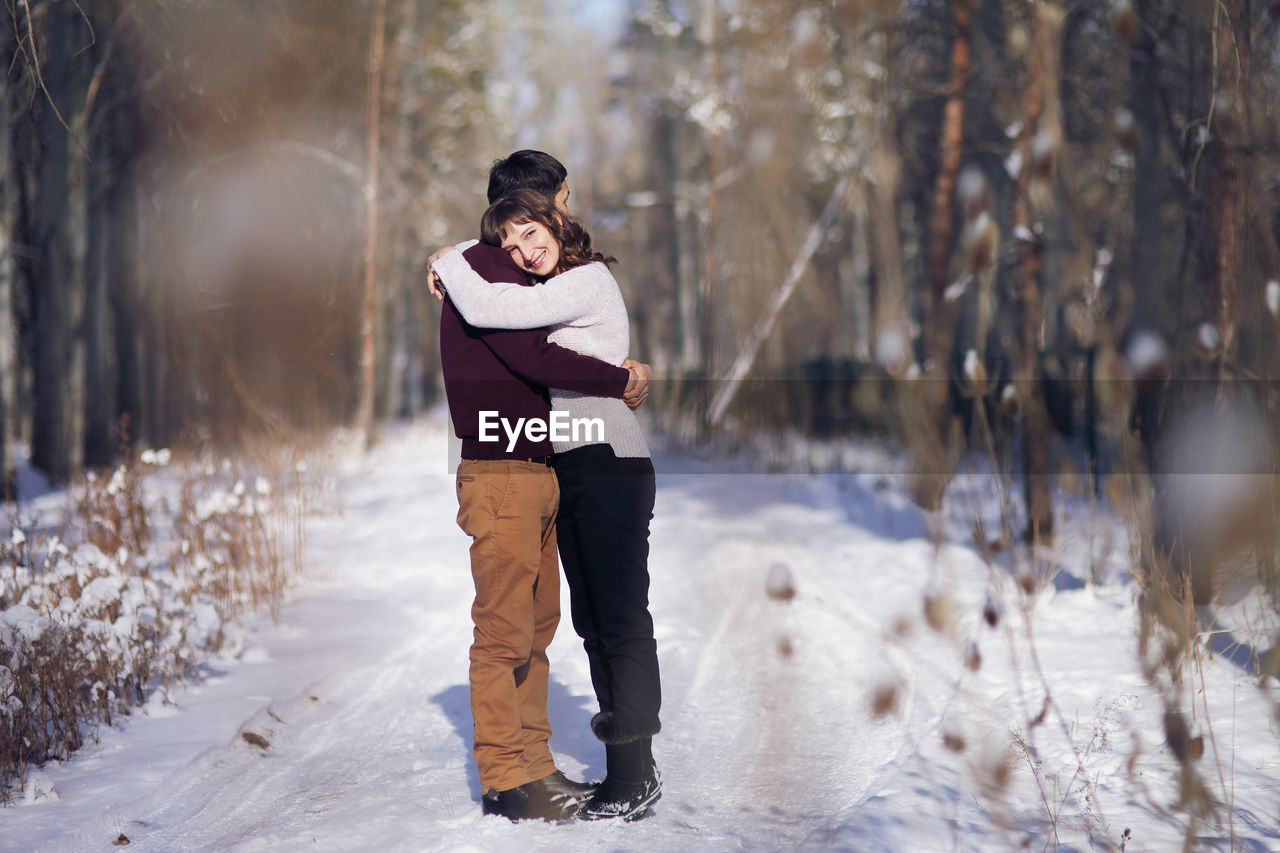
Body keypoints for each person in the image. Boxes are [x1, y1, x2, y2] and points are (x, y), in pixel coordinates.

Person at [431, 187, 662, 822]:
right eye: (510, 240)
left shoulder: (572, 280)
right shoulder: (483, 282)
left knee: (579, 622)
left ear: (558, 219)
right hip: (520, 465)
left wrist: (452, 259)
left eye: (534, 230)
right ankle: (512, 776)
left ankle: (602, 770)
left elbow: (542, 349)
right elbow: (529, 352)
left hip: (581, 461)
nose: (525, 250)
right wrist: (450, 259)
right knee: (522, 629)